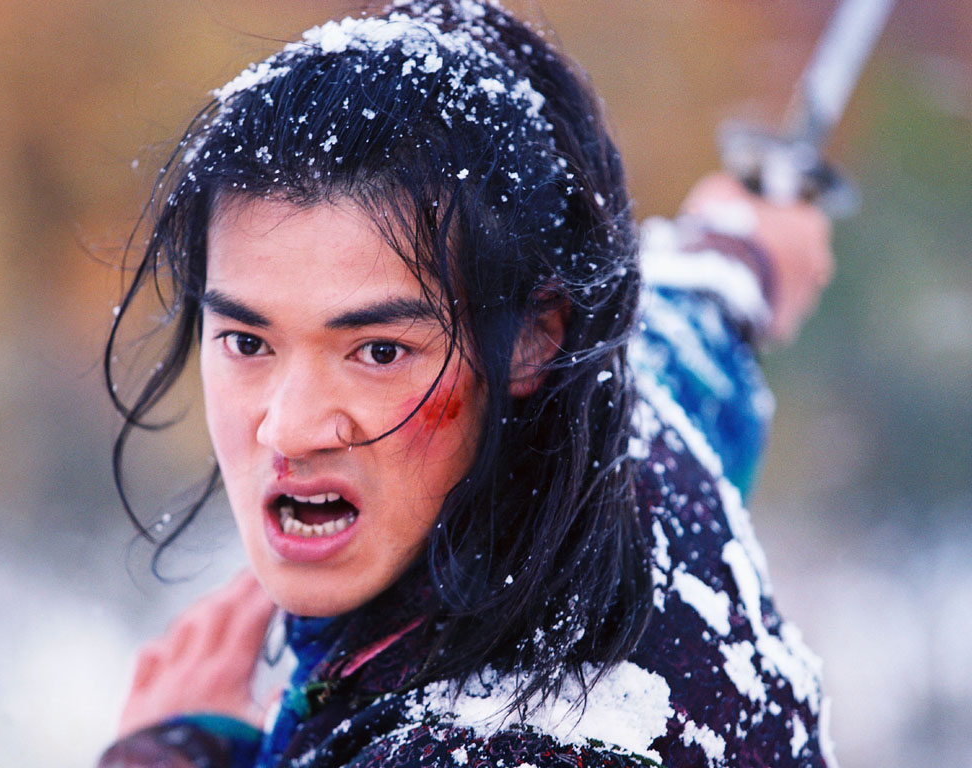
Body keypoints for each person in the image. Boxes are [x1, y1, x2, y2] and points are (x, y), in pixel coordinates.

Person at [99, 1, 835, 766]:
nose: (289, 428)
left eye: (379, 351)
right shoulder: (620, 445)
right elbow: (680, 342)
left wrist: (166, 757)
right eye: (248, 342)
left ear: (533, 338)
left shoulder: (514, 745)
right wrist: (742, 259)